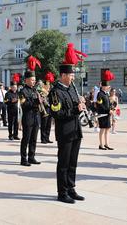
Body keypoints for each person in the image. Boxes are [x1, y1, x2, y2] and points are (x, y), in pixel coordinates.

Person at [49, 42, 87, 204]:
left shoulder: (71, 88)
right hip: (64, 132)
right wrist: (76, 110)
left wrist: (82, 104)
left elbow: (75, 107)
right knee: (63, 163)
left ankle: (71, 188)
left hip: (75, 130)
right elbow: (57, 114)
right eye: (71, 75)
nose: (73, 78)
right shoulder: (56, 92)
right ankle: (62, 192)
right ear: (64, 75)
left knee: (73, 163)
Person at [19, 55, 42, 166]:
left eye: (35, 80)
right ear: (27, 80)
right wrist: (36, 102)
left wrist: (42, 100)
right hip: (28, 117)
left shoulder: (35, 90)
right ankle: (23, 159)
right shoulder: (23, 91)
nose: (34, 81)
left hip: (36, 117)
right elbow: (25, 105)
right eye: (32, 80)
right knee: (26, 139)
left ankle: (31, 156)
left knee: (34, 139)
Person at [96, 70, 115, 150]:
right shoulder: (100, 94)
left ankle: (106, 144)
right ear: (103, 86)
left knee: (107, 129)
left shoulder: (105, 94)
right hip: (102, 114)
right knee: (102, 129)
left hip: (107, 114)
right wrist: (108, 110)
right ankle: (101, 144)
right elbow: (100, 105)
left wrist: (111, 108)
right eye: (107, 86)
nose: (108, 87)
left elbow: (108, 104)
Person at [40, 72, 54, 144]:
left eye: (49, 85)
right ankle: (43, 138)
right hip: (45, 108)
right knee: (44, 124)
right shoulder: (42, 91)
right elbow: (42, 100)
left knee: (49, 124)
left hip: (50, 108)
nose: (48, 86)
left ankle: (47, 138)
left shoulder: (50, 92)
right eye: (47, 85)